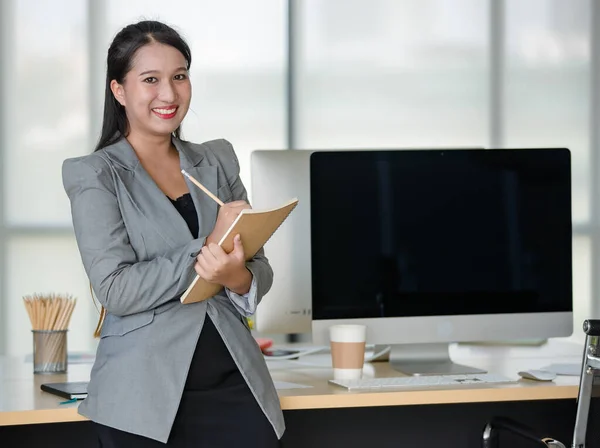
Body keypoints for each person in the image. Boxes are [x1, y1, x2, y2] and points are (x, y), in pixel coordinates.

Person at [62, 20, 284, 447]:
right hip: (141, 399)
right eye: (151, 80)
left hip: (234, 384)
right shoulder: (94, 174)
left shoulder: (216, 159)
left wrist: (234, 274)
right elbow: (115, 289)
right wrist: (207, 247)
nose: (169, 94)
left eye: (179, 76)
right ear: (119, 91)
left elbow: (257, 270)